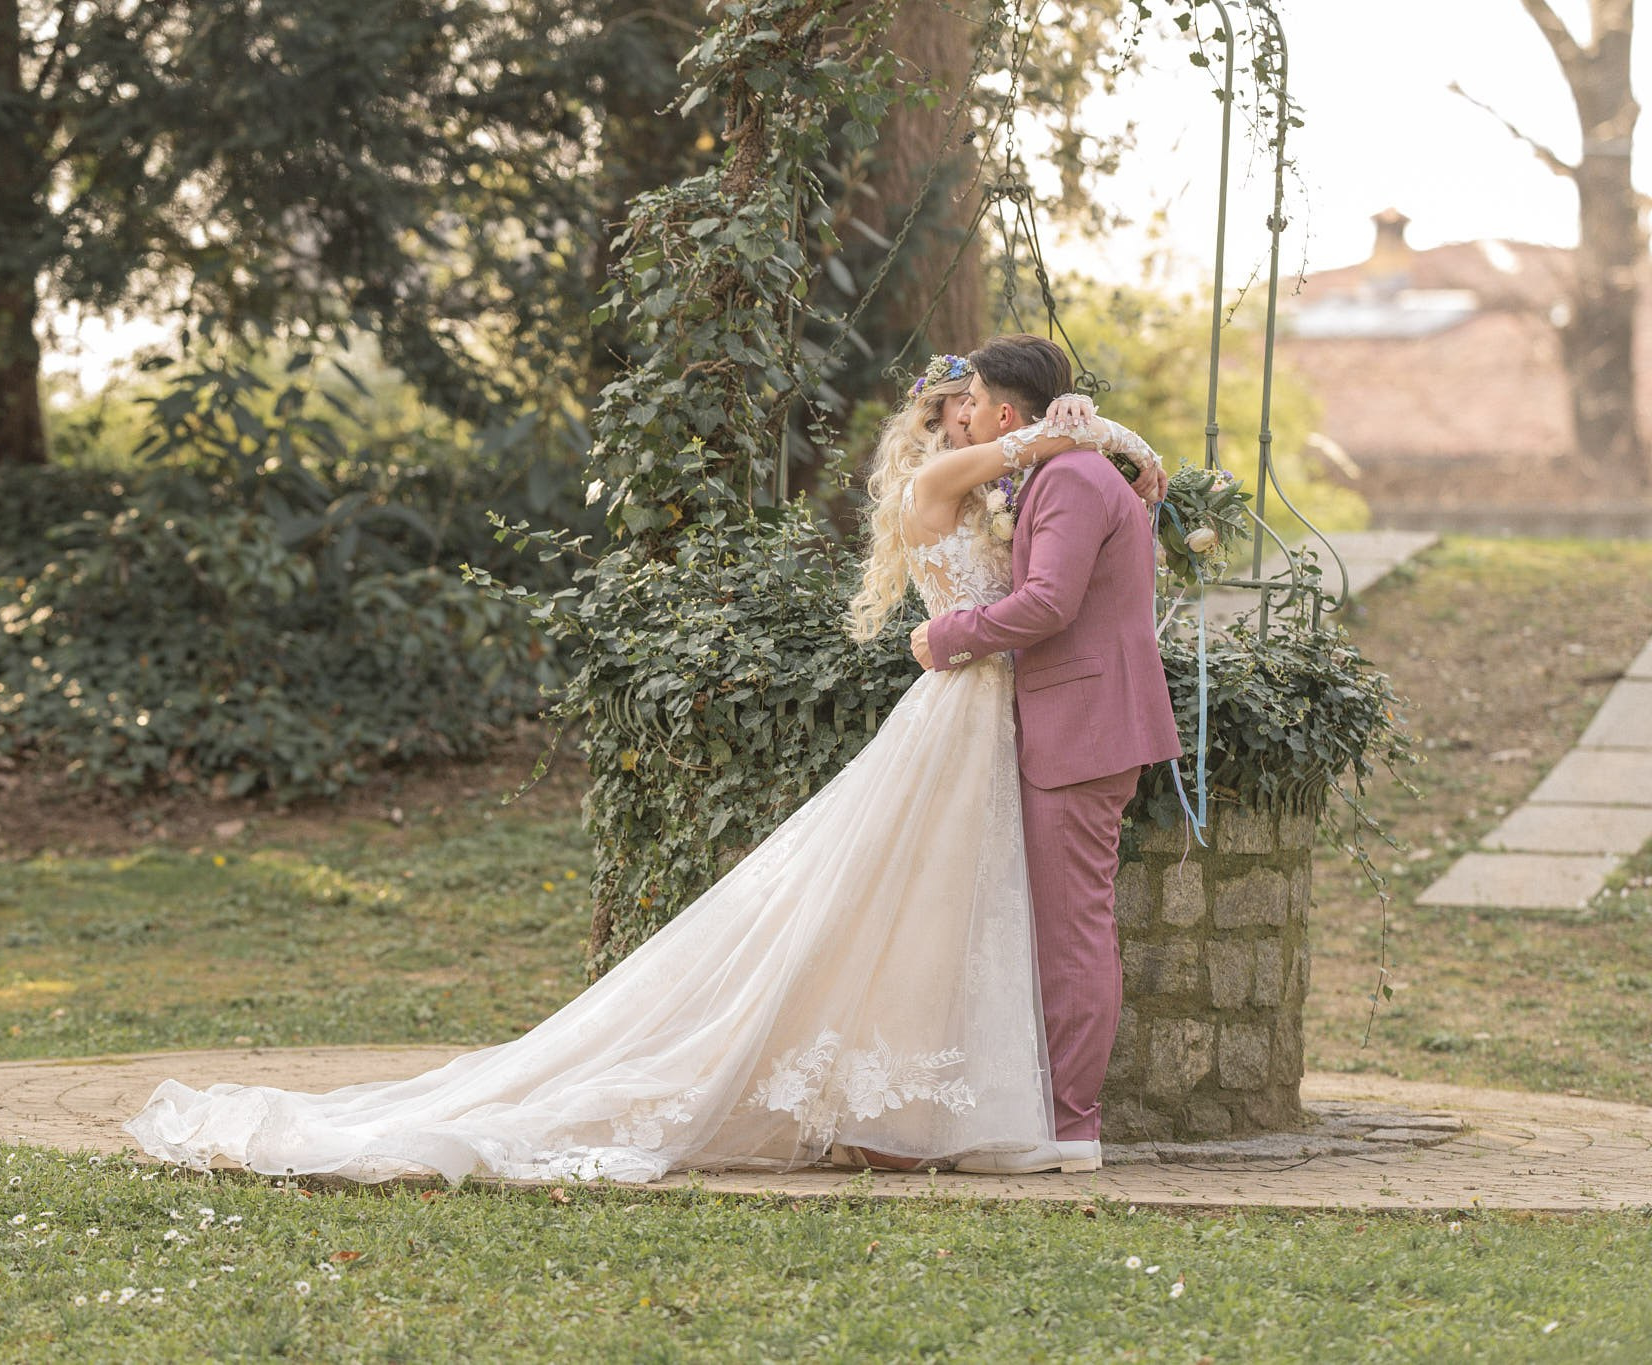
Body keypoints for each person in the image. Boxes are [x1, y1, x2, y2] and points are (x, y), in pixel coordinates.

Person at [122, 349, 1165, 1183]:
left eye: (973, 403)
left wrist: (1111, 447)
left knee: (960, 913)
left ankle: (967, 1107)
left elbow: (1064, 558)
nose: (961, 420)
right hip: (968, 703)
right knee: (921, 904)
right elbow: (1036, 501)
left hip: (1006, 717)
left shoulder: (1044, 478)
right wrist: (1093, 429)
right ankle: (962, 1110)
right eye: (954, 407)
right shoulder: (946, 475)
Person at [911, 335, 1183, 1175]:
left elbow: (1048, 603)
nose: (966, 416)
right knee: (1070, 927)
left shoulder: (1066, 477)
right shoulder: (1075, 468)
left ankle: (1072, 1128)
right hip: (1087, 722)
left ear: (1002, 413)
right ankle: (1055, 1114)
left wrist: (945, 635)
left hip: (1083, 729)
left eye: (977, 400)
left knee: (1074, 933)